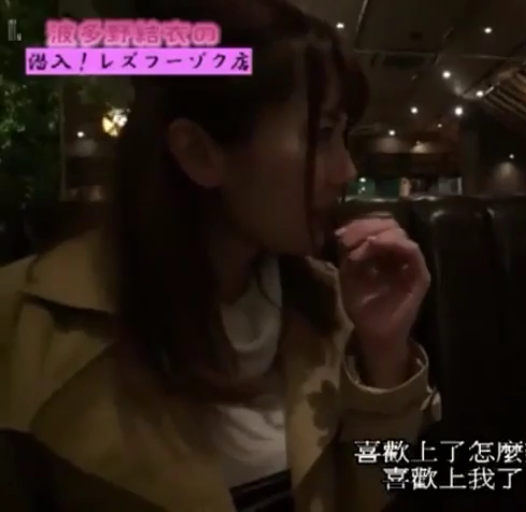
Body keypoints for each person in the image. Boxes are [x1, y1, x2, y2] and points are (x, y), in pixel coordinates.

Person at [0, 0, 440, 510]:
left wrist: (384, 352)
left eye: (344, 136)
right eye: (321, 134)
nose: (347, 170)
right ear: (199, 153)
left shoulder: (330, 306)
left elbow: (372, 496)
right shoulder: (22, 325)